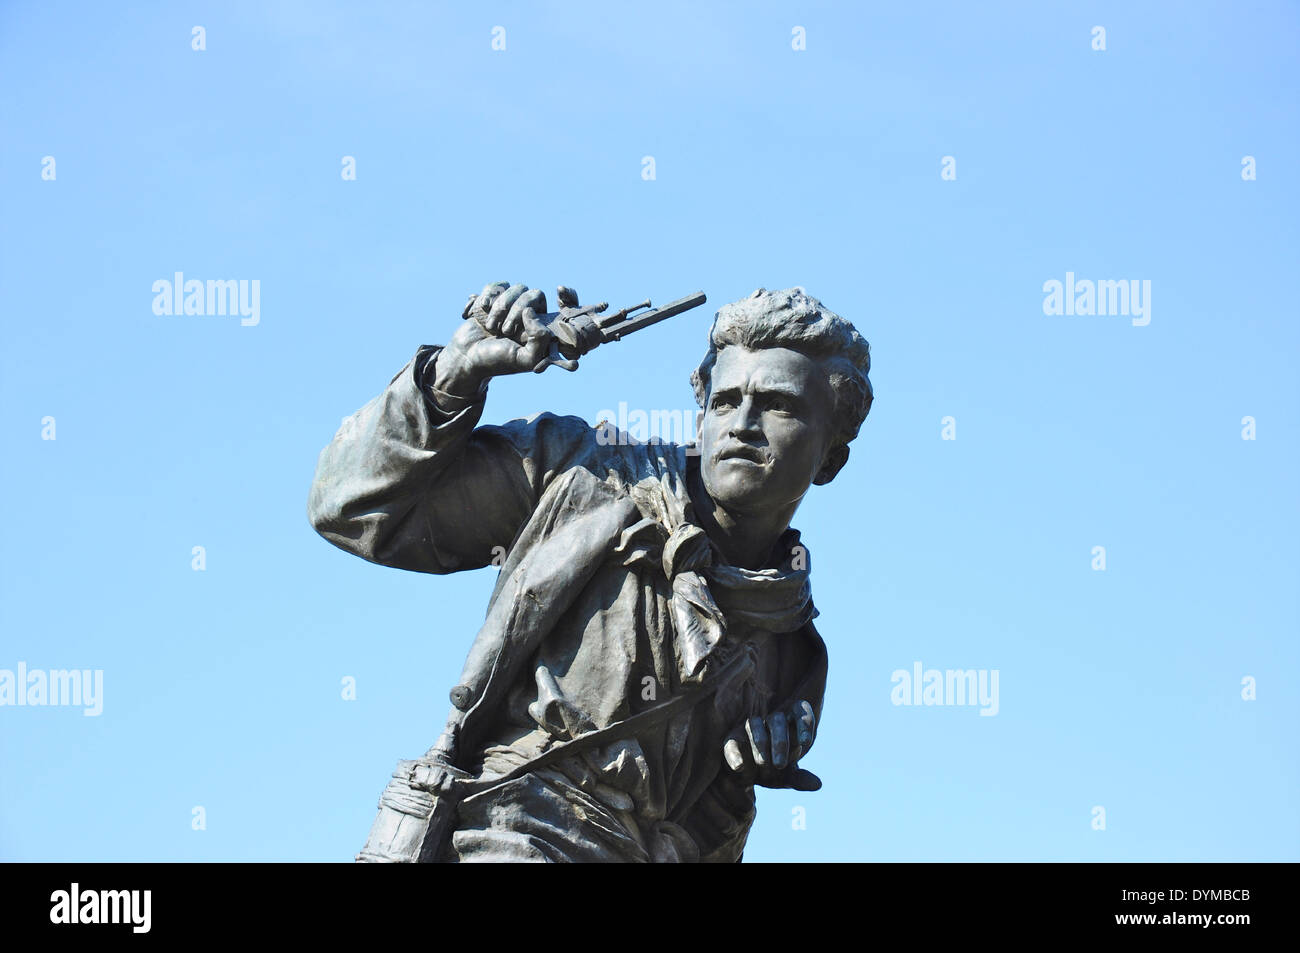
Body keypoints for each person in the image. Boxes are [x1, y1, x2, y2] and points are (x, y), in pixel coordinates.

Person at [308, 281, 873, 862]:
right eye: (725, 401)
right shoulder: (582, 474)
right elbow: (351, 510)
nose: (743, 424)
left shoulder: (790, 644)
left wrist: (746, 774)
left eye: (779, 405)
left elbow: (703, 828)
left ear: (831, 454)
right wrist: (455, 374)